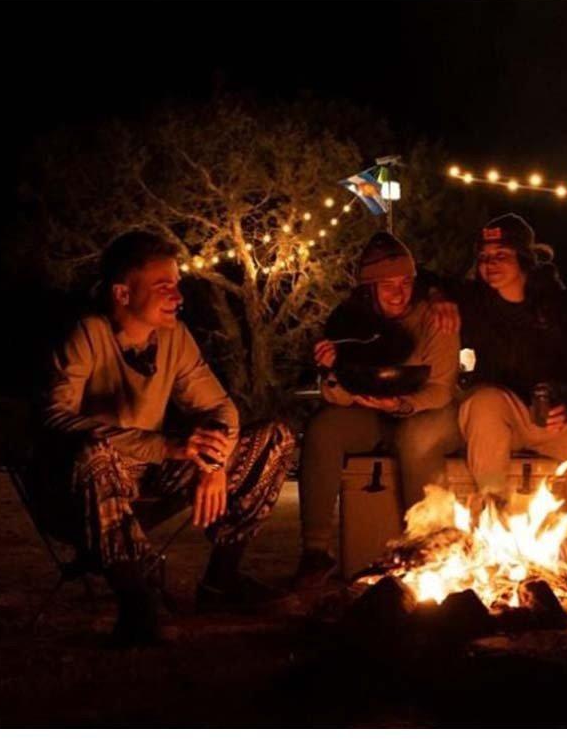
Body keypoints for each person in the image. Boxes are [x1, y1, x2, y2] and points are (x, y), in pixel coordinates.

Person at [39, 231, 295, 645]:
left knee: (273, 437)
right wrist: (163, 447)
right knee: (95, 455)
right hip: (83, 491)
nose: (178, 296)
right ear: (122, 293)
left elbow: (220, 408)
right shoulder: (88, 333)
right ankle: (137, 604)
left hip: (150, 477)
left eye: (177, 284)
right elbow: (55, 416)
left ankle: (220, 581)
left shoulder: (173, 337)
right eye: (163, 286)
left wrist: (213, 463)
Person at [433, 214, 567, 567]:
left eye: (501, 255)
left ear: (524, 258)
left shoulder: (558, 306)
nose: (490, 265)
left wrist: (565, 401)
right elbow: (424, 278)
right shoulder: (473, 301)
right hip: (499, 416)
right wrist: (438, 295)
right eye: (484, 257)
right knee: (484, 402)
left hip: (548, 416)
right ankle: (493, 520)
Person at [296, 232, 461, 584]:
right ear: (370, 288)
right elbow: (336, 394)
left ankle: (426, 547)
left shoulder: (434, 316)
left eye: (405, 283)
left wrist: (402, 404)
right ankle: (315, 552)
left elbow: (441, 389)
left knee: (416, 436)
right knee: (325, 428)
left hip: (428, 410)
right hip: (374, 411)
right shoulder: (350, 322)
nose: (399, 293)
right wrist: (333, 371)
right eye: (388, 285)